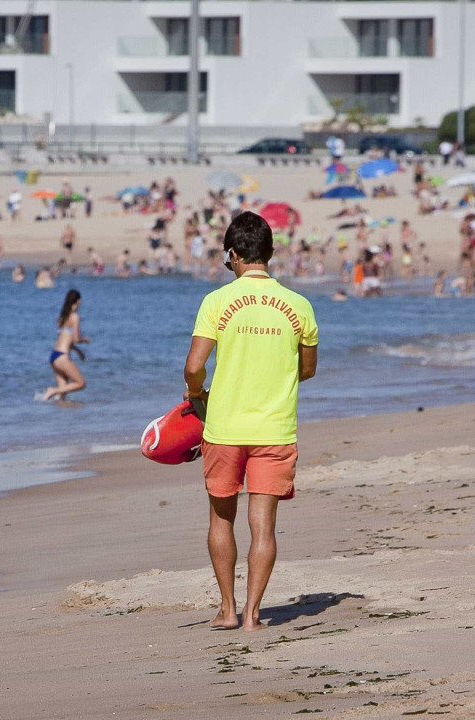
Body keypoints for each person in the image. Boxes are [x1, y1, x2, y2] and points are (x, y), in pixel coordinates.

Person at [183, 211, 319, 632]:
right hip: (274, 429)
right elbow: (308, 369)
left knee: (220, 519)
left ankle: (227, 609)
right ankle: (253, 616)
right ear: (271, 253)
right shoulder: (300, 306)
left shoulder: (217, 302)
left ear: (232, 255)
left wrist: (196, 395)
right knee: (264, 526)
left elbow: (193, 366)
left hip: (224, 427)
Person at [42, 289, 89, 401]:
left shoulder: (62, 317)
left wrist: (79, 352)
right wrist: (84, 340)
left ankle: (62, 417)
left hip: (54, 356)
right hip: (62, 357)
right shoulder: (75, 317)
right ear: (78, 302)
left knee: (62, 396)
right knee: (81, 383)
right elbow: (76, 339)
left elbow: (66, 340)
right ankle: (52, 390)